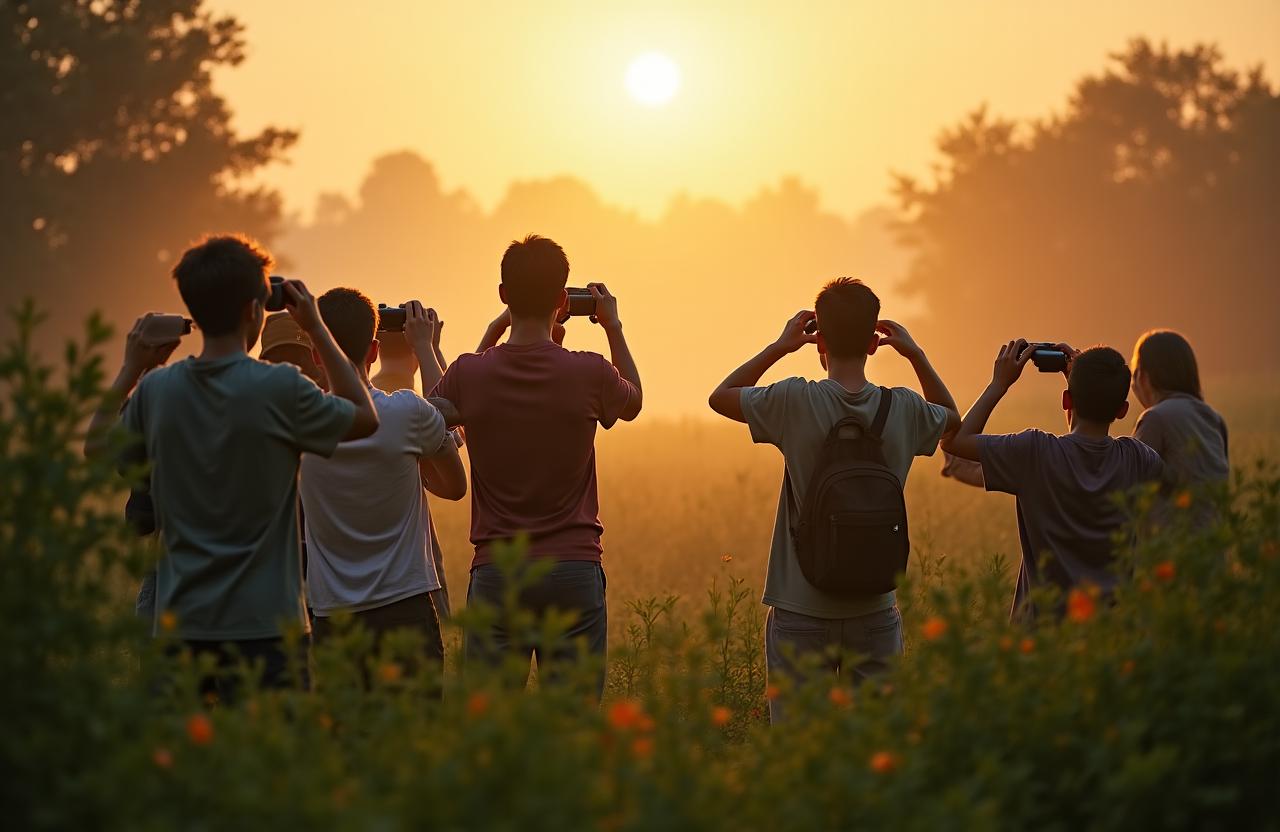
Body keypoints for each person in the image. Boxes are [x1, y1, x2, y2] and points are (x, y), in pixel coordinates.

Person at [85, 234, 379, 701]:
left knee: (185, 765)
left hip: (180, 626)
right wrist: (317, 328)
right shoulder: (281, 387)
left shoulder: (157, 392)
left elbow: (97, 447)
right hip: (268, 627)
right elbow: (364, 418)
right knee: (269, 764)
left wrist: (131, 367)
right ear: (253, 310)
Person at [708, 277, 961, 722]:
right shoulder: (903, 407)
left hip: (800, 605)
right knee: (877, 749)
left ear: (818, 339)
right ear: (874, 343)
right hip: (875, 610)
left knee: (798, 750)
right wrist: (916, 354)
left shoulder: (794, 399)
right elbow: (953, 421)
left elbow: (721, 397)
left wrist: (780, 346)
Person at [428, 234, 642, 696]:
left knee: (492, 725)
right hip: (573, 569)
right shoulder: (589, 371)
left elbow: (434, 410)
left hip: (498, 570)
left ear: (503, 296)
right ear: (564, 300)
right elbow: (634, 401)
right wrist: (613, 326)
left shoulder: (469, 373)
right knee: (573, 724)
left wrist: (491, 334)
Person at [300, 290, 466, 683]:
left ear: (316, 355)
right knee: (414, 736)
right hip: (406, 607)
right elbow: (455, 485)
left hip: (332, 614)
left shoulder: (297, 421)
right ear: (373, 350)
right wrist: (425, 348)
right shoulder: (408, 412)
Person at [941, 341, 1164, 620]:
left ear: (1066, 401)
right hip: (1111, 636)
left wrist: (999, 383)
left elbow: (954, 441)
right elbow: (1086, 449)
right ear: (1122, 410)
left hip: (1042, 636)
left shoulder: (1035, 451)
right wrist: (1085, 383)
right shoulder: (1140, 459)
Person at [371, 314, 457, 617]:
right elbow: (452, 427)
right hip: (411, 564)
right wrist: (430, 347)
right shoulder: (411, 403)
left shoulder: (368, 392)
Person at [1131, 329, 1229, 488]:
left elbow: (1130, 486)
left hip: (1176, 513)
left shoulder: (1154, 418)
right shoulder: (1215, 419)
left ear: (1142, 375)